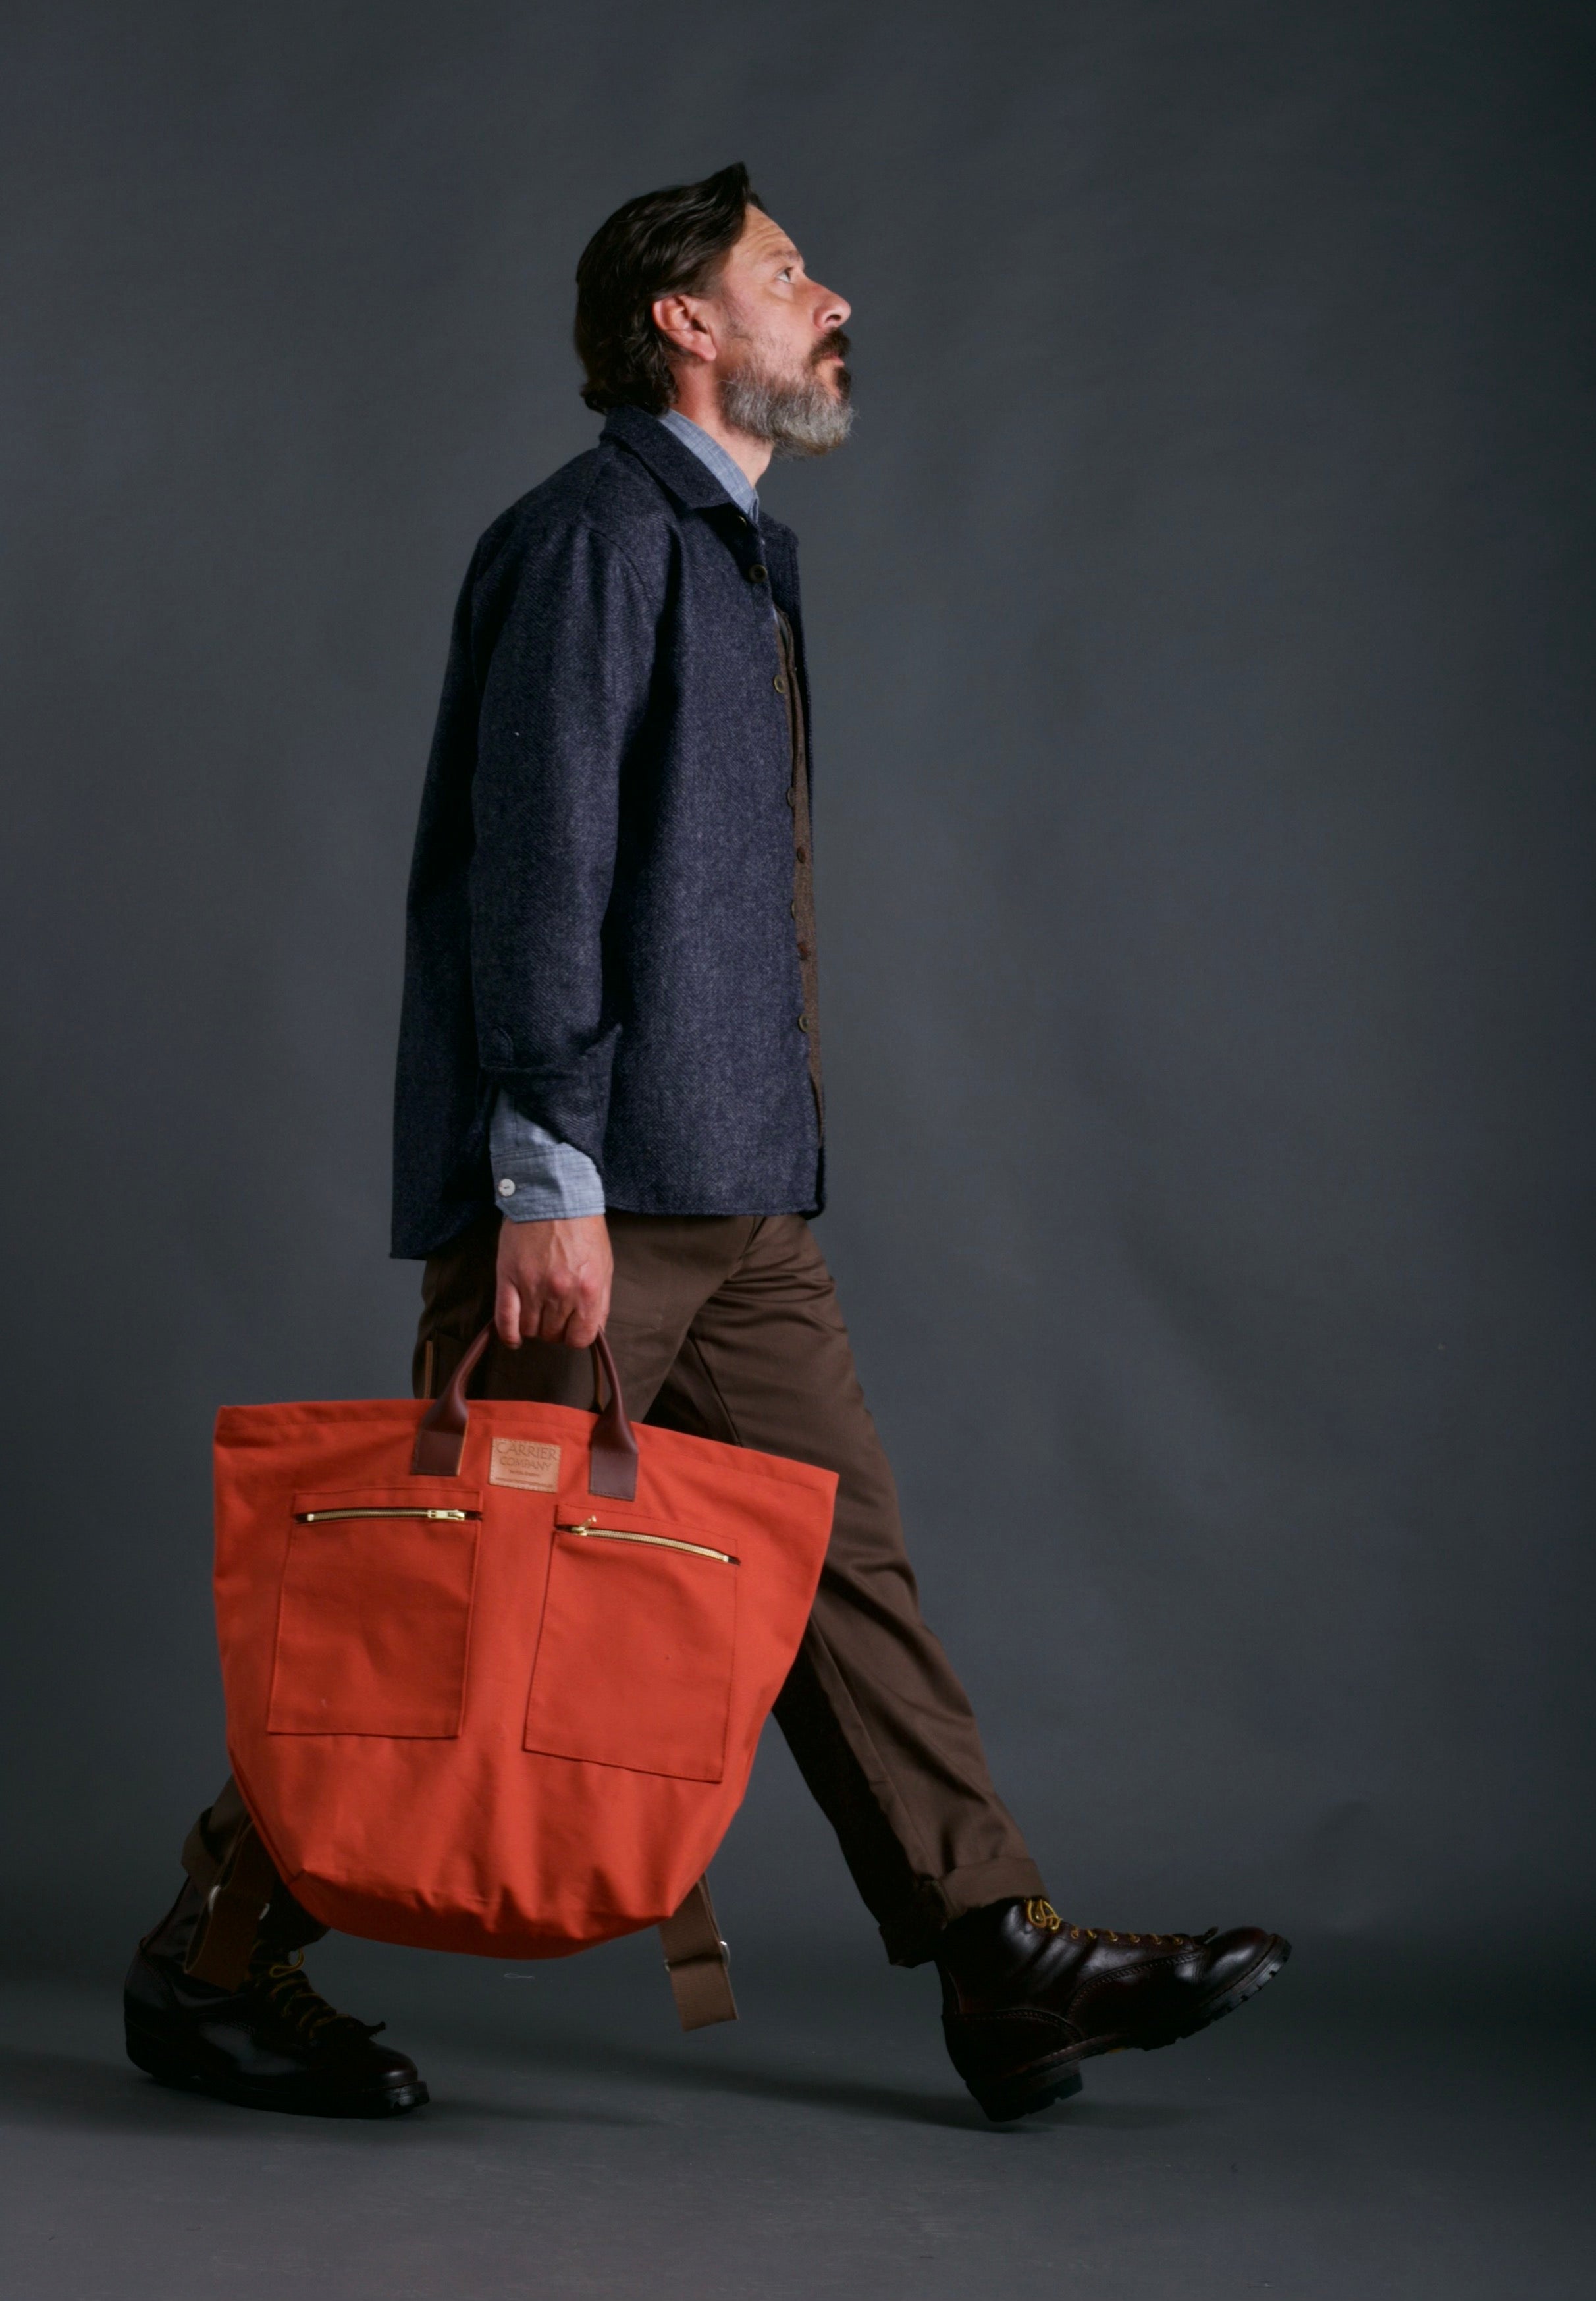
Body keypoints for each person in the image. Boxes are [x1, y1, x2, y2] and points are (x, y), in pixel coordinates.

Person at [124, 164, 1289, 2125]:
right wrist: (543, 1176)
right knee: (470, 1588)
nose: (831, 301)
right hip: (610, 1187)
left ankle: (996, 1961)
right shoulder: (597, 539)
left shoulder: (734, 551)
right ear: (684, 322)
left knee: (843, 1575)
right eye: (785, 275)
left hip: (738, 1186)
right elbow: (542, 867)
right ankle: (207, 1961)